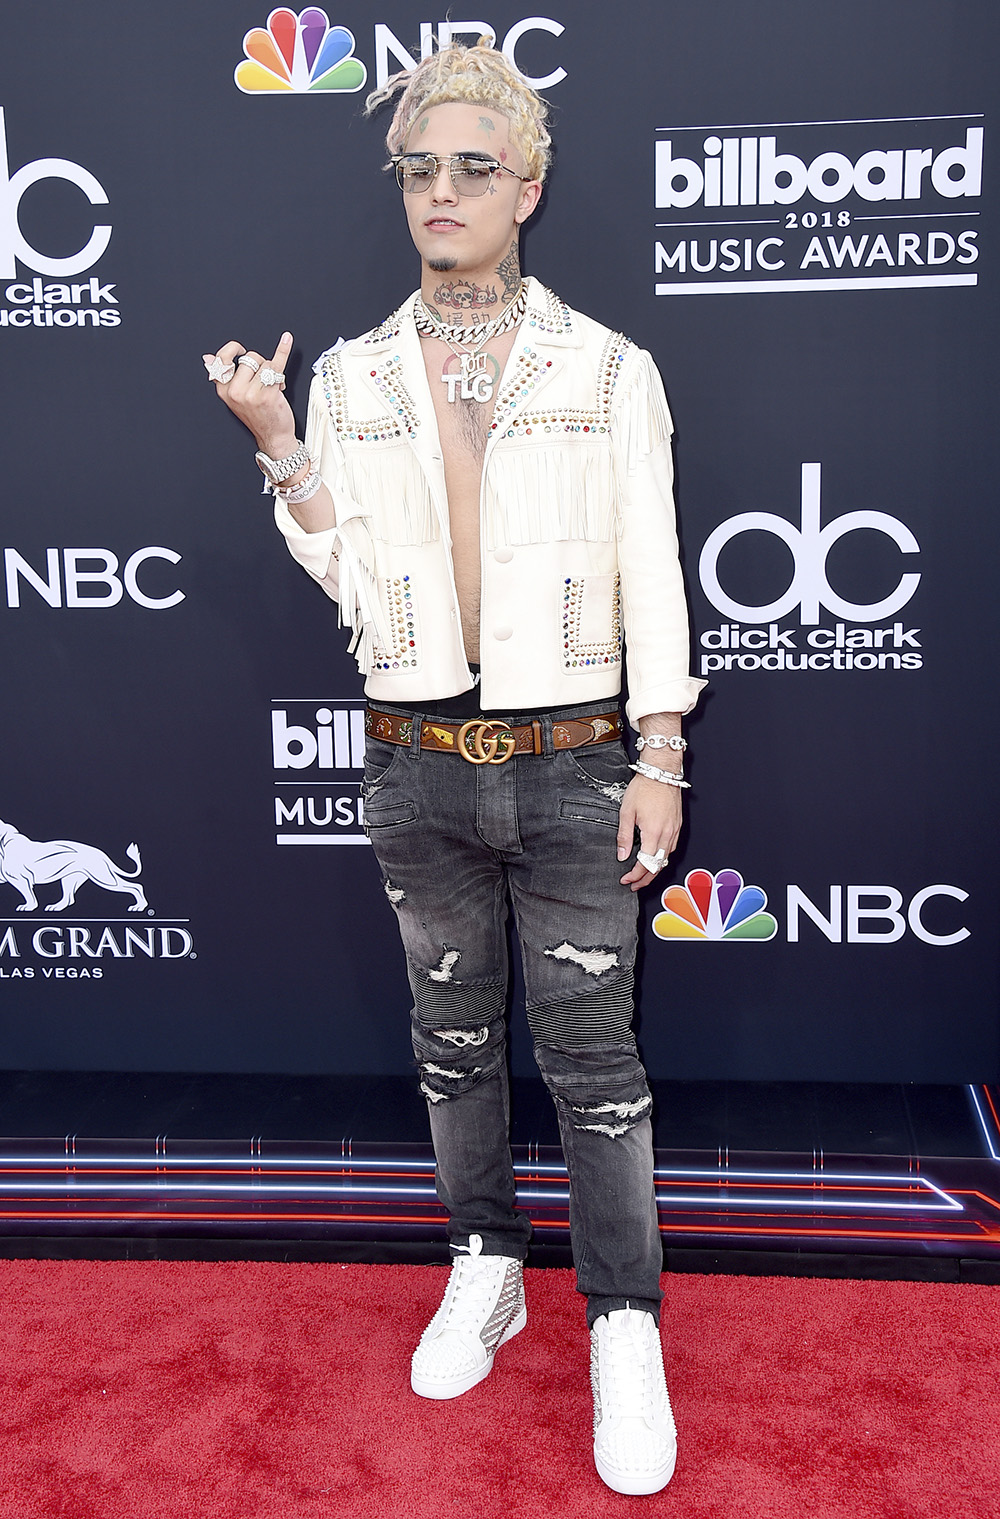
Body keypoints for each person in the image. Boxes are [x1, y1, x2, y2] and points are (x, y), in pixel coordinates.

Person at [203, 40, 705, 1496]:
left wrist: (660, 748)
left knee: (598, 1067)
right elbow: (355, 585)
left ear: (529, 188)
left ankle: (622, 1321)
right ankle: (485, 1263)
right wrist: (283, 443)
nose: (441, 191)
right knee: (454, 1047)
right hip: (415, 764)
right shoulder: (357, 372)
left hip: (574, 765)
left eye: (472, 168)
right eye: (419, 168)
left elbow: (652, 571)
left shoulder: (610, 366)